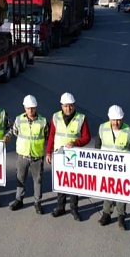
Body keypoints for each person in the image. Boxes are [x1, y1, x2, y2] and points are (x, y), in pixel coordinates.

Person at [96, 105, 130, 231]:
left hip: (122, 169)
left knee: (121, 193)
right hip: (106, 168)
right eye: (114, 120)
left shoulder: (129, 130)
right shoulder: (102, 128)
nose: (116, 122)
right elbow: (97, 147)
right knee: (107, 191)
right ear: (109, 119)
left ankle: (121, 217)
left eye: (119, 120)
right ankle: (106, 214)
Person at [45, 92, 91, 221]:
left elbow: (87, 137)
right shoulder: (55, 117)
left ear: (74, 105)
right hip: (59, 156)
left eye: (70, 106)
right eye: (65, 106)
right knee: (61, 182)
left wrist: (75, 142)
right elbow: (51, 137)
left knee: (74, 184)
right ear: (61, 106)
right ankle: (60, 207)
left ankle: (74, 209)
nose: (68, 109)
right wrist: (48, 152)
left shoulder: (81, 118)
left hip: (74, 156)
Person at [9, 95, 49, 214]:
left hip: (37, 156)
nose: (30, 111)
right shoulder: (19, 119)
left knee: (38, 180)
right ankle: (19, 200)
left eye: (32, 108)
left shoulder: (43, 121)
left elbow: (46, 135)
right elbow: (15, 132)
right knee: (20, 178)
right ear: (24, 108)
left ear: (36, 107)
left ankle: (37, 202)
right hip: (23, 156)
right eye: (28, 108)